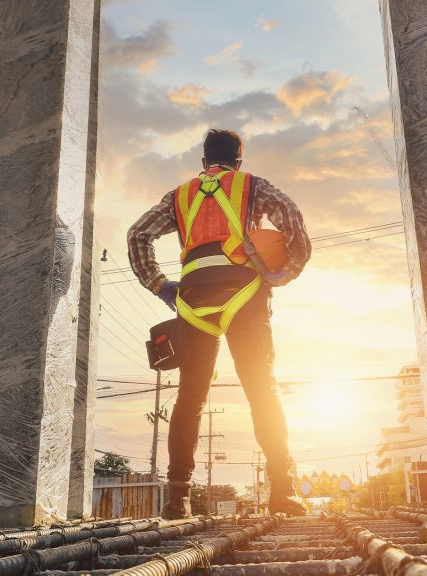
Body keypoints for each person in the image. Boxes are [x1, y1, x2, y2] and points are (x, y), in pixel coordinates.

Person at [128, 129, 311, 518]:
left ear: (204, 162)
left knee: (191, 398)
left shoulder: (179, 196)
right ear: (238, 161)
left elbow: (138, 234)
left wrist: (160, 285)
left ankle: (177, 499)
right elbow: (291, 217)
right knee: (262, 389)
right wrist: (286, 271)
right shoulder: (252, 186)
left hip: (194, 301)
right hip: (245, 295)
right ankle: (283, 492)